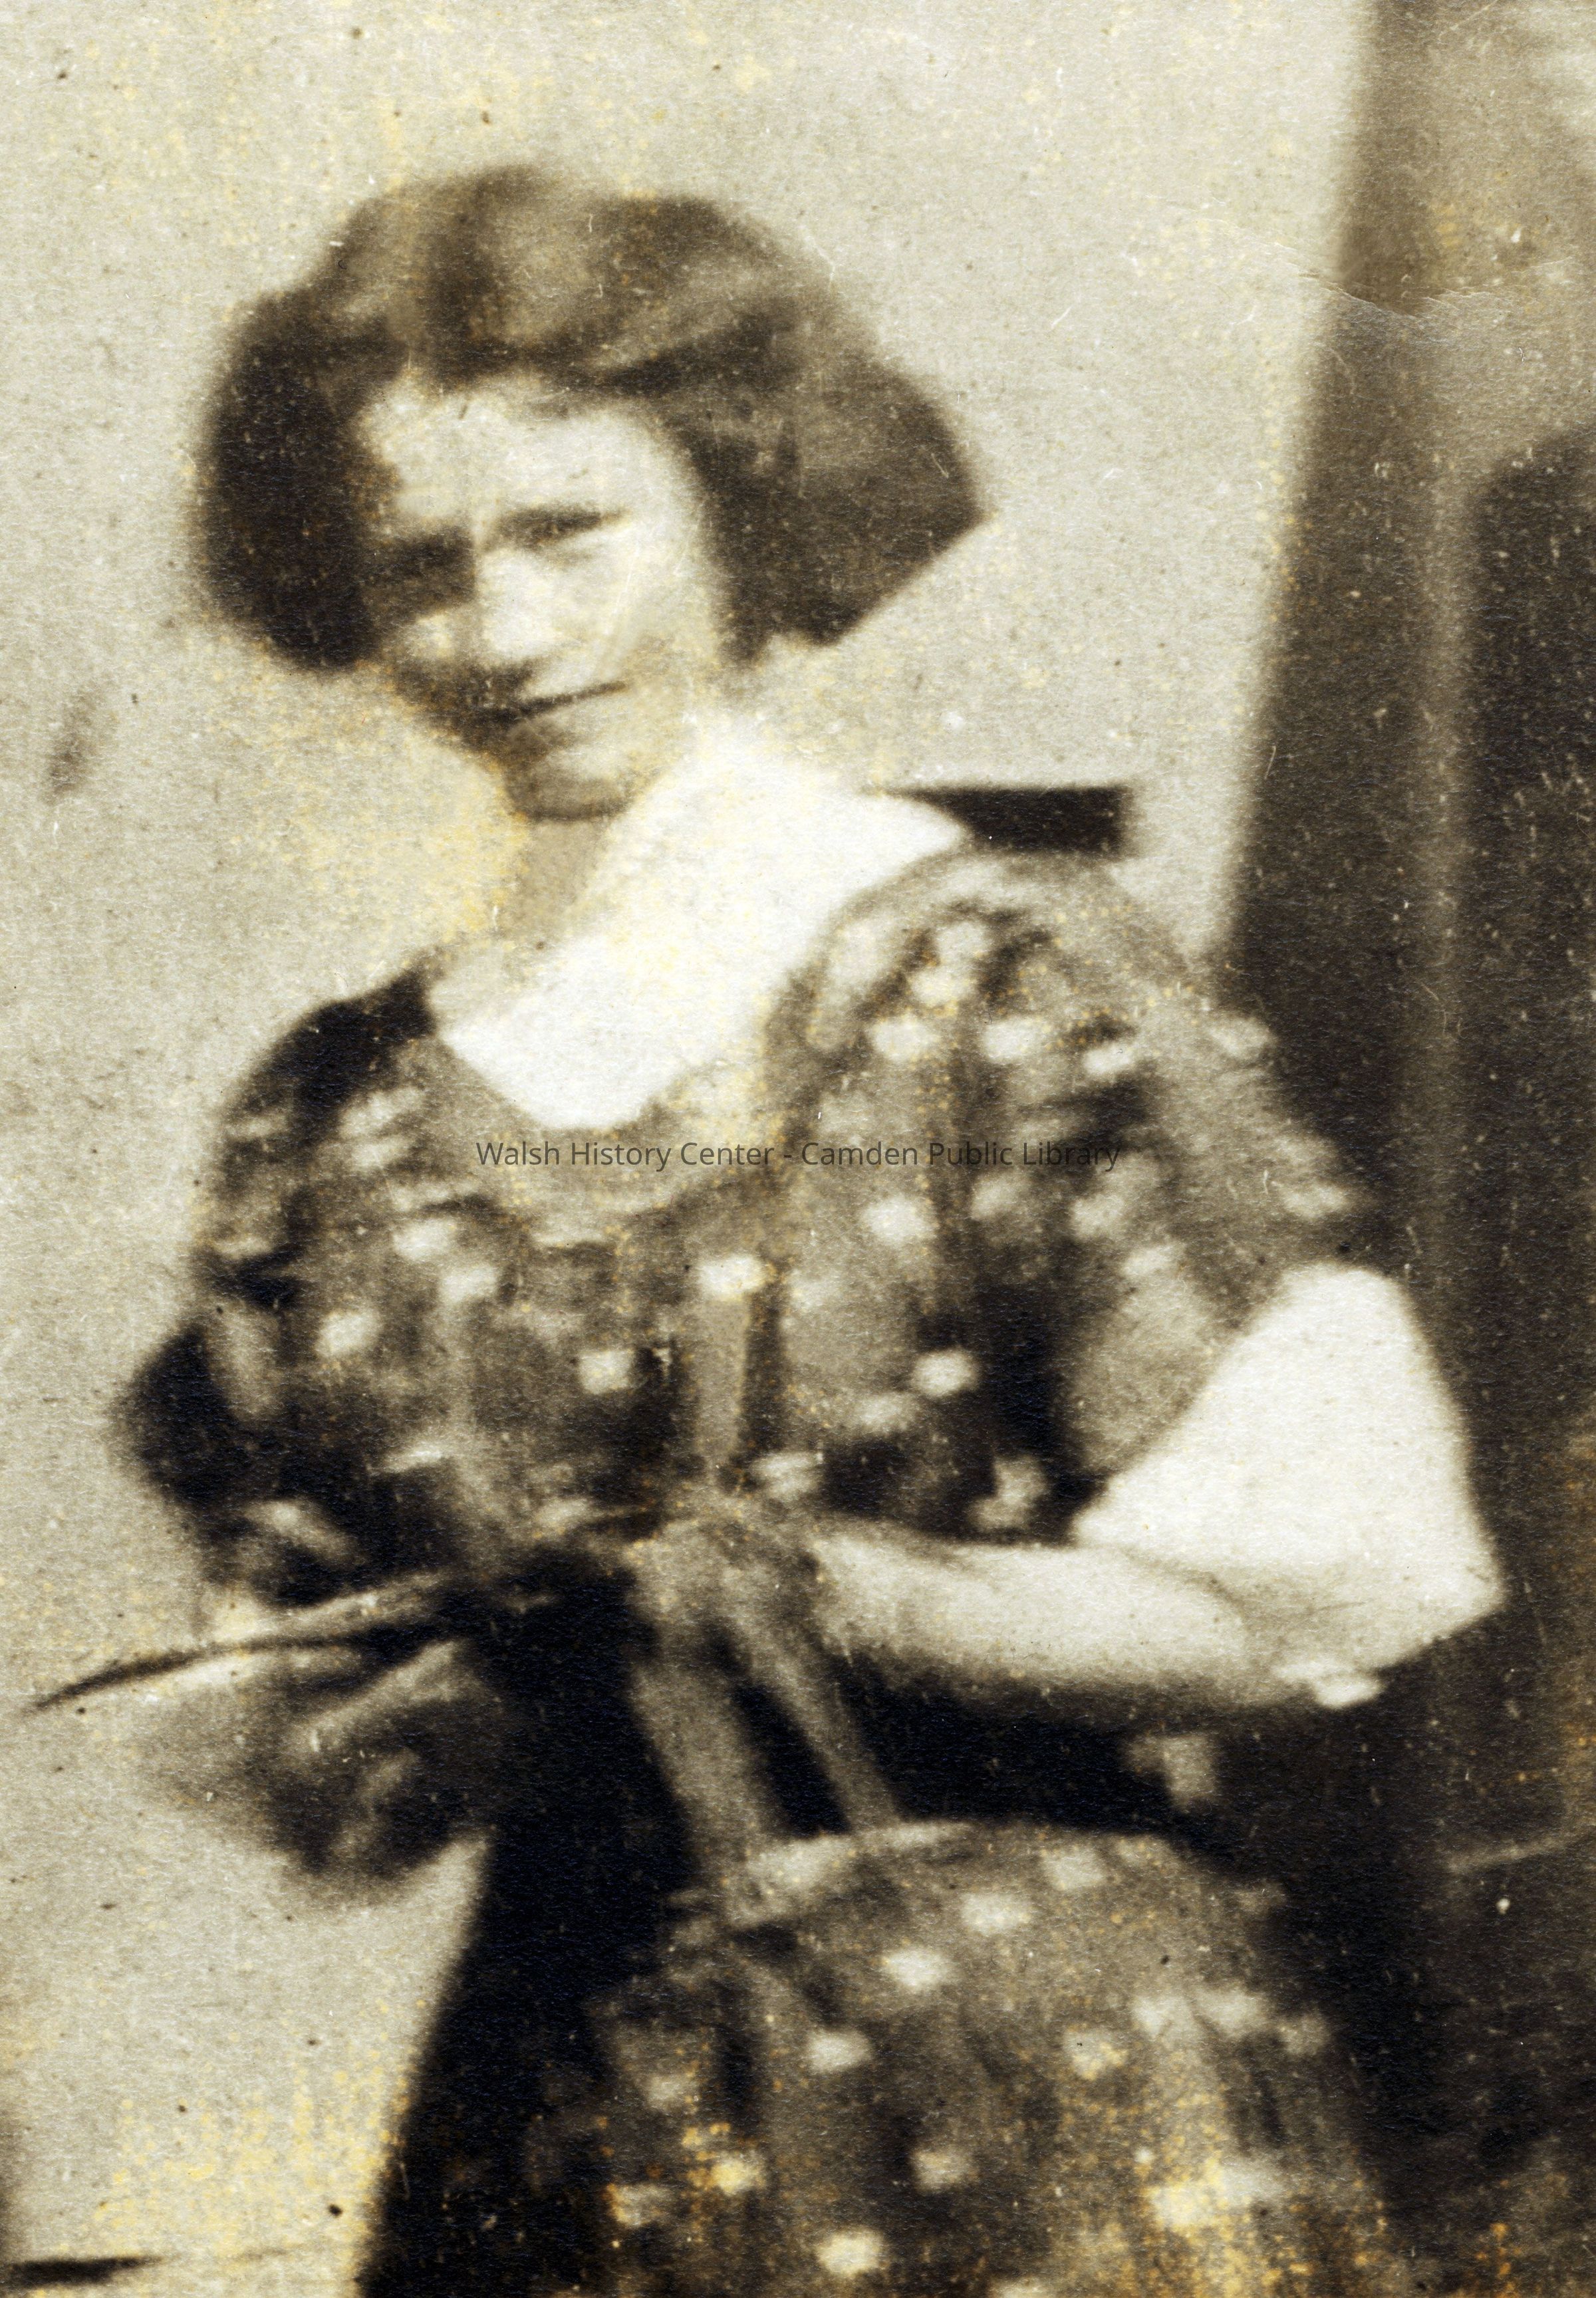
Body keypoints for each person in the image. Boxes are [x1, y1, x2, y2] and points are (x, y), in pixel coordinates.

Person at [127, 165, 1502, 2296]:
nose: (506, 633)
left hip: (1039, 2086)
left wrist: (813, 1588)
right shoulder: (339, 1123)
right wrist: (420, 1722)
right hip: (566, 2121)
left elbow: (1318, 1594)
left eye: (571, 530)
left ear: (731, 501)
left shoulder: (1003, 981)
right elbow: (299, 1751)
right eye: (422, 568)